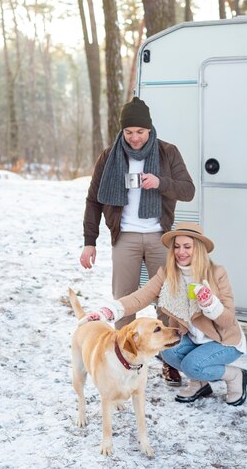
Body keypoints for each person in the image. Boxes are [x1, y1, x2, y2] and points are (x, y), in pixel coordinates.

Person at [79, 97, 195, 386]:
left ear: (149, 129)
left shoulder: (168, 152)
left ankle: (170, 362)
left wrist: (161, 183)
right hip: (125, 237)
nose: (134, 138)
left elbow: (188, 190)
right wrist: (89, 241)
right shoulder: (109, 156)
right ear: (122, 131)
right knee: (124, 302)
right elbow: (93, 200)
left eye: (140, 132)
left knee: (167, 302)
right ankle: (123, 360)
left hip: (159, 237)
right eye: (129, 132)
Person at [86, 222, 247, 407]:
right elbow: (139, 298)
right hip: (193, 339)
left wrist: (210, 304)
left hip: (223, 341)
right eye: (177, 247)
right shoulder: (167, 274)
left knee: (193, 365)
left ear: (199, 249)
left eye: (187, 247)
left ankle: (235, 375)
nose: (181, 252)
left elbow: (228, 320)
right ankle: (200, 383)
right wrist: (109, 311)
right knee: (168, 351)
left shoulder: (216, 273)